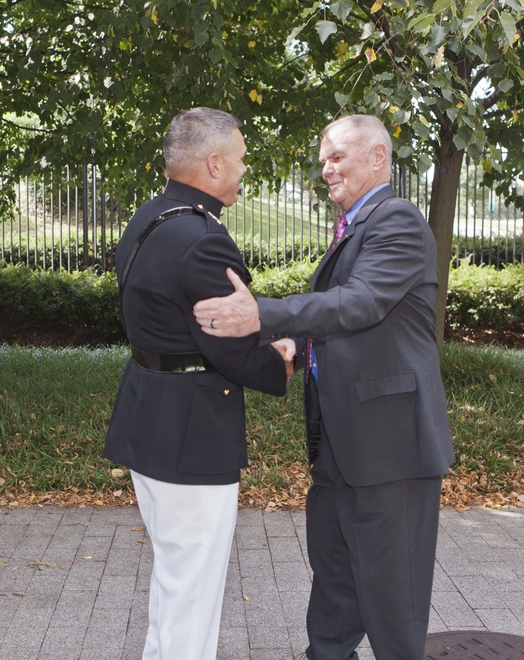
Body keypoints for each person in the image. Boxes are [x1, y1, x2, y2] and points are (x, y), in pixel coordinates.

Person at [193, 114, 455, 660]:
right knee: (334, 581)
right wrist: (292, 341)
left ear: (379, 157)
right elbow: (342, 318)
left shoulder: (398, 220)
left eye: (337, 157)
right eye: (323, 160)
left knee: (392, 597)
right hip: (341, 441)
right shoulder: (357, 225)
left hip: (391, 449)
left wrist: (263, 315)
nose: (326, 169)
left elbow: (359, 303)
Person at [103, 106, 295, 660]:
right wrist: (280, 358)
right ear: (213, 164)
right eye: (238, 160)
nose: (242, 171)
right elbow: (231, 343)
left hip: (150, 415)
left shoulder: (150, 217)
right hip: (191, 431)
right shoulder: (201, 237)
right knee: (193, 590)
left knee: (174, 577)